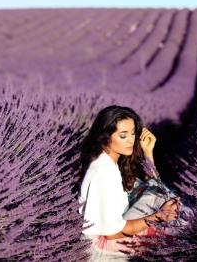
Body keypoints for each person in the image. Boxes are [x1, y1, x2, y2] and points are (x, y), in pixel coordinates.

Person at [78, 105, 182, 261]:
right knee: (161, 201)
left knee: (157, 193)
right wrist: (158, 216)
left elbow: (151, 186)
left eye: (133, 133)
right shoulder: (104, 173)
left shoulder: (106, 162)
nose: (131, 140)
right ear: (105, 137)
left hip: (106, 241)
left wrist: (148, 153)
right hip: (103, 251)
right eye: (123, 135)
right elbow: (114, 233)